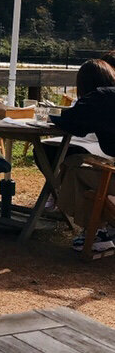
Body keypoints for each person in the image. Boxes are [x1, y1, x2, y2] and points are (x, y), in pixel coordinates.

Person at [48, 59, 115, 251]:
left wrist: (48, 115)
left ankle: (96, 232)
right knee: (79, 161)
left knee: (74, 168)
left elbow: (72, 122)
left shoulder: (100, 98)